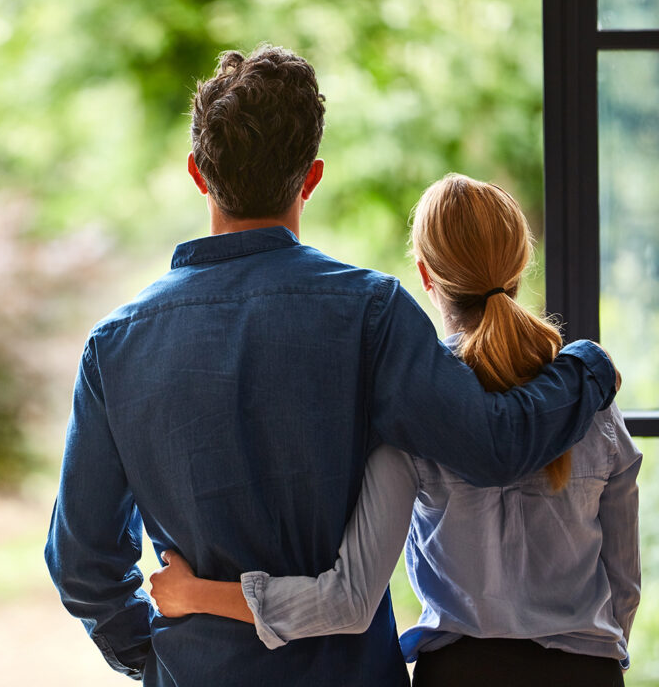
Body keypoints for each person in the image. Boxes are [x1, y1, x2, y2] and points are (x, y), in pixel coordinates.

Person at [45, 45, 618, 687]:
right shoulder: (371, 312)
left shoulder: (115, 345)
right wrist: (588, 366)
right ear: (311, 177)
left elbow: (82, 563)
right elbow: (495, 445)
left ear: (197, 173)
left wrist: (154, 660)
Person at [148, 174, 640, 687]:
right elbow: (624, 585)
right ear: (520, 266)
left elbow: (348, 599)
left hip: (461, 675)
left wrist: (196, 594)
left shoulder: (414, 406)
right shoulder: (591, 397)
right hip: (589, 673)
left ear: (426, 276)